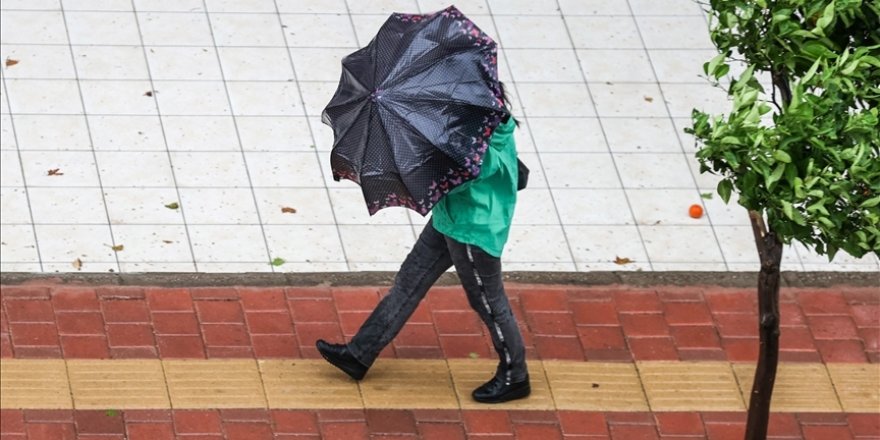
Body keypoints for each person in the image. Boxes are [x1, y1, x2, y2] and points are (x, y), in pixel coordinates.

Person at [316, 86, 528, 404]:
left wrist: (417, 155)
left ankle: (515, 376)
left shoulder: (474, 143)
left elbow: (446, 180)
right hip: (450, 220)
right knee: (409, 282)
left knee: (489, 303)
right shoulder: (490, 121)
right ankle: (358, 354)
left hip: (473, 231)